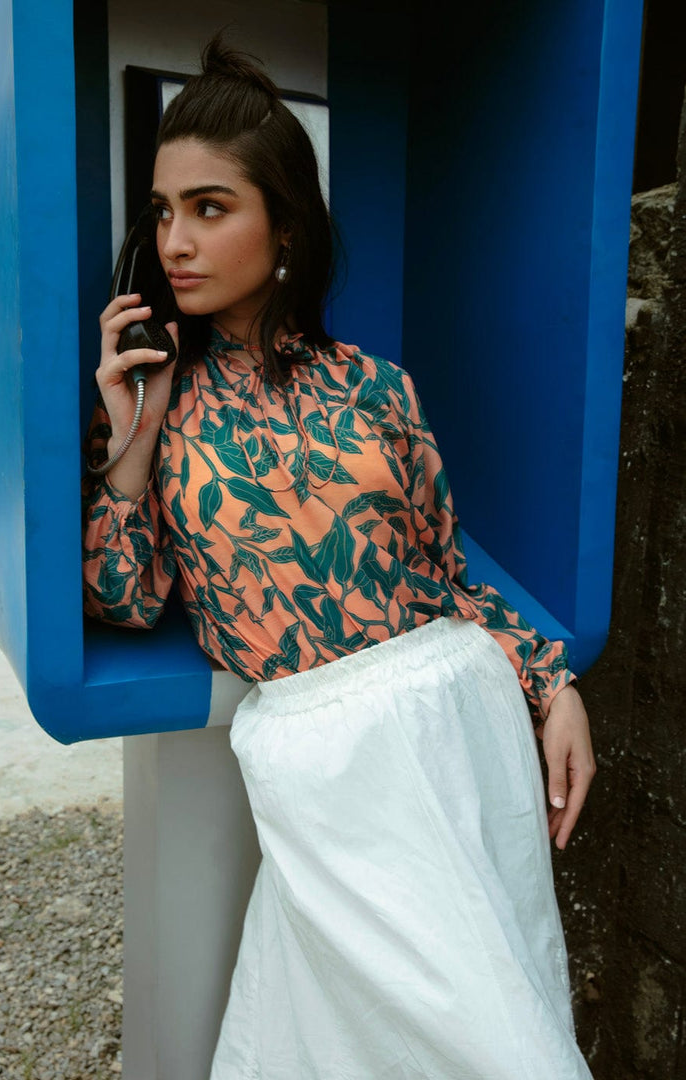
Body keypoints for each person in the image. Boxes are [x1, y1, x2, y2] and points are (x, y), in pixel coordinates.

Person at [83, 35, 596, 1080]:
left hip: (459, 719)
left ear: (285, 224)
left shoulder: (377, 386)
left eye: (209, 208)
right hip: (316, 756)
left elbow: (447, 574)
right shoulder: (156, 399)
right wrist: (131, 438)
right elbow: (123, 599)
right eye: (163, 211)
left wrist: (554, 686)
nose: (175, 240)